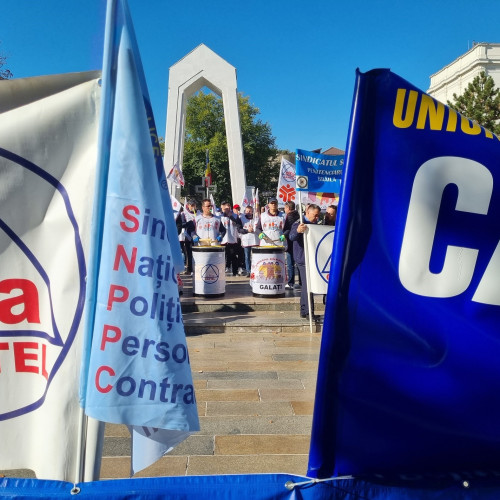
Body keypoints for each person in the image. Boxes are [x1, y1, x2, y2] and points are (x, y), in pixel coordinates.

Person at [289, 203, 321, 320]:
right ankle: (309, 312)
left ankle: (303, 310)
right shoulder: (299, 223)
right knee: (308, 285)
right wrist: (298, 231)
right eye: (315, 215)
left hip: (311, 258)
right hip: (302, 258)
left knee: (306, 285)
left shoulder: (315, 223)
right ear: (307, 212)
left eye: (318, 215)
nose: (316, 218)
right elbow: (291, 237)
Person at [220, 201, 242, 276]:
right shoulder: (220, 216)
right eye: (225, 208)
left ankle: (235, 272)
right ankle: (224, 270)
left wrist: (230, 216)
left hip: (232, 238)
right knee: (224, 256)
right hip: (224, 239)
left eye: (228, 208)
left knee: (233, 255)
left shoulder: (235, 216)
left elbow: (238, 225)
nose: (227, 209)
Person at [175, 199, 196, 274]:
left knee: (196, 253)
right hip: (188, 236)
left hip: (197, 236)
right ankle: (189, 269)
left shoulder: (199, 213)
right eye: (191, 205)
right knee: (189, 253)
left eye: (194, 205)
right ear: (188, 206)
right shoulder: (184, 214)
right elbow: (181, 224)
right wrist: (188, 224)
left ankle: (196, 268)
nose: (193, 207)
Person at [237, 205, 260, 276]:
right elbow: (239, 229)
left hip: (255, 240)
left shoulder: (256, 218)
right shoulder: (241, 218)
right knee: (247, 257)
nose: (248, 212)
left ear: (252, 211)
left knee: (255, 256)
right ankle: (248, 271)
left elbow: (260, 227)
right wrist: (247, 230)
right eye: (247, 211)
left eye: (250, 211)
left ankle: (256, 270)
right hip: (246, 240)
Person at [283, 201, 299, 289]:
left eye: (285, 208)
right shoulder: (298, 215)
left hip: (290, 242)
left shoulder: (289, 217)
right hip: (297, 242)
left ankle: (290, 283)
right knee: (298, 263)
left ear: (288, 208)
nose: (284, 210)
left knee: (290, 264)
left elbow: (288, 229)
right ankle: (301, 282)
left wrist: (284, 234)